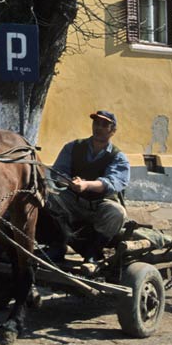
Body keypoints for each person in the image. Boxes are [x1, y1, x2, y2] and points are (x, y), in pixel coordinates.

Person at [44, 110, 130, 263]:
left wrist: (86, 185)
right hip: (73, 200)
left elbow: (113, 182)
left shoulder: (118, 157)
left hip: (100, 204)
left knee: (117, 213)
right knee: (47, 201)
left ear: (113, 131)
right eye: (96, 123)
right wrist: (68, 182)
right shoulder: (73, 147)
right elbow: (58, 172)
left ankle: (94, 251)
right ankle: (58, 245)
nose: (99, 127)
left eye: (105, 125)